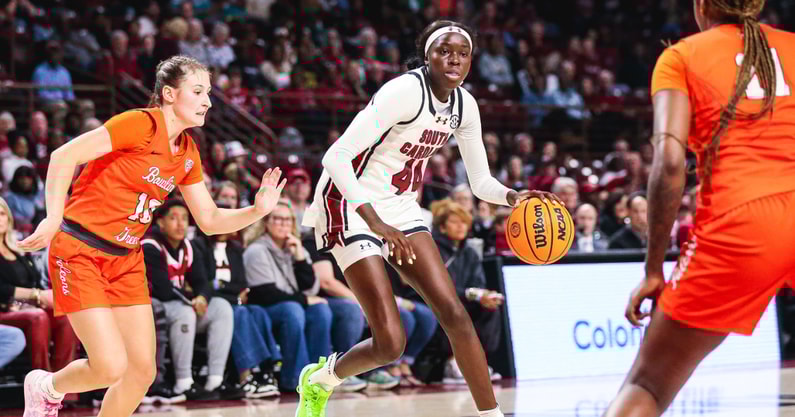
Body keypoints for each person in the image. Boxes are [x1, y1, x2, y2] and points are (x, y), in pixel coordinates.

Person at [297, 20, 560, 417]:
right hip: (349, 203)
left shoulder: (464, 106)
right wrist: (376, 222)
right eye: (444, 51)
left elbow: (480, 182)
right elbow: (335, 156)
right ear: (427, 56)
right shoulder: (404, 91)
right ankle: (320, 379)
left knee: (454, 313)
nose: (454, 59)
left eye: (463, 53)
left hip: (400, 207)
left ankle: (491, 415)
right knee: (390, 343)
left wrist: (513, 196)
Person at [18, 55, 286, 417]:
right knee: (109, 366)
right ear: (170, 94)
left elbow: (208, 220)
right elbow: (64, 156)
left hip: (125, 260)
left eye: (208, 92)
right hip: (80, 250)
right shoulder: (138, 124)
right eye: (198, 91)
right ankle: (46, 387)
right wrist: (53, 217)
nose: (208, 101)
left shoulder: (188, 152)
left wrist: (256, 211)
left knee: (142, 372)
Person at [603, 1, 795, 416]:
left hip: (743, 224)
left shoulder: (681, 57)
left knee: (648, 385)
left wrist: (653, 269)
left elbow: (670, 163)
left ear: (702, 4)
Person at [141, 199, 241, 401]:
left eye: (185, 219)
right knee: (184, 311)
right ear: (160, 223)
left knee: (221, 308)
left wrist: (202, 297)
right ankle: (183, 382)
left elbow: (203, 281)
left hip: (181, 305)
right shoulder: (150, 246)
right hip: (153, 308)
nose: (180, 224)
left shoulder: (188, 246)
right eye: (173, 218)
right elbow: (164, 290)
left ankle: (215, 379)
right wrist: (192, 300)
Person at [243, 200, 331, 392]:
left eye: (288, 219)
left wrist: (299, 258)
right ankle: (295, 379)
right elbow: (265, 294)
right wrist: (304, 300)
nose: (283, 223)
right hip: (265, 309)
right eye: (277, 219)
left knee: (322, 310)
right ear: (266, 222)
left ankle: (321, 376)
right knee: (293, 310)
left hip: (293, 305)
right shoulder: (256, 250)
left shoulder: (297, 247)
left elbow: (311, 288)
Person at [0, 196, 79, 373]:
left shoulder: (18, 250)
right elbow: (2, 289)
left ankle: (62, 379)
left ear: (9, 219)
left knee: (65, 316)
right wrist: (36, 295)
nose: (0, 219)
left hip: (27, 307)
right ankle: (40, 378)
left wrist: (39, 298)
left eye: (2, 214)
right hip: (5, 310)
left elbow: (35, 280)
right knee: (38, 317)